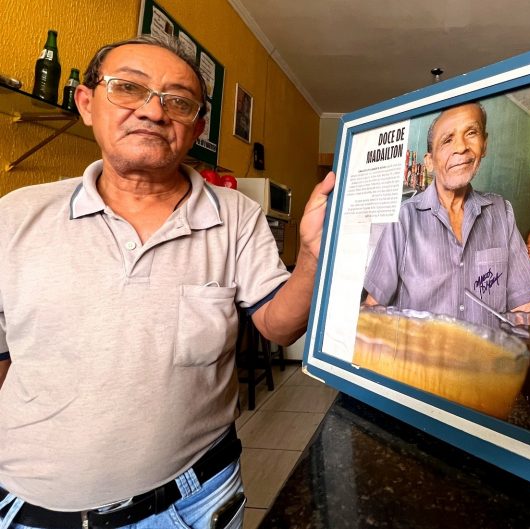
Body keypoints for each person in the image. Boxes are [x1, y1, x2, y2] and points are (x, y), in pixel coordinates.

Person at [0, 36, 334, 529]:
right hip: (35, 510)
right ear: (87, 103)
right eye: (129, 89)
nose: (154, 113)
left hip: (194, 502)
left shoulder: (236, 215)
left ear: (196, 128)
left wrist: (310, 256)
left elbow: (279, 328)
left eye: (177, 101)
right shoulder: (15, 215)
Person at [363, 101, 530, 327]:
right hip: (420, 361)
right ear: (429, 161)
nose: (461, 147)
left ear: (484, 144)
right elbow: (373, 308)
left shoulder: (501, 213)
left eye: (471, 132)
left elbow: (526, 307)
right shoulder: (403, 219)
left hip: (487, 359)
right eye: (447, 140)